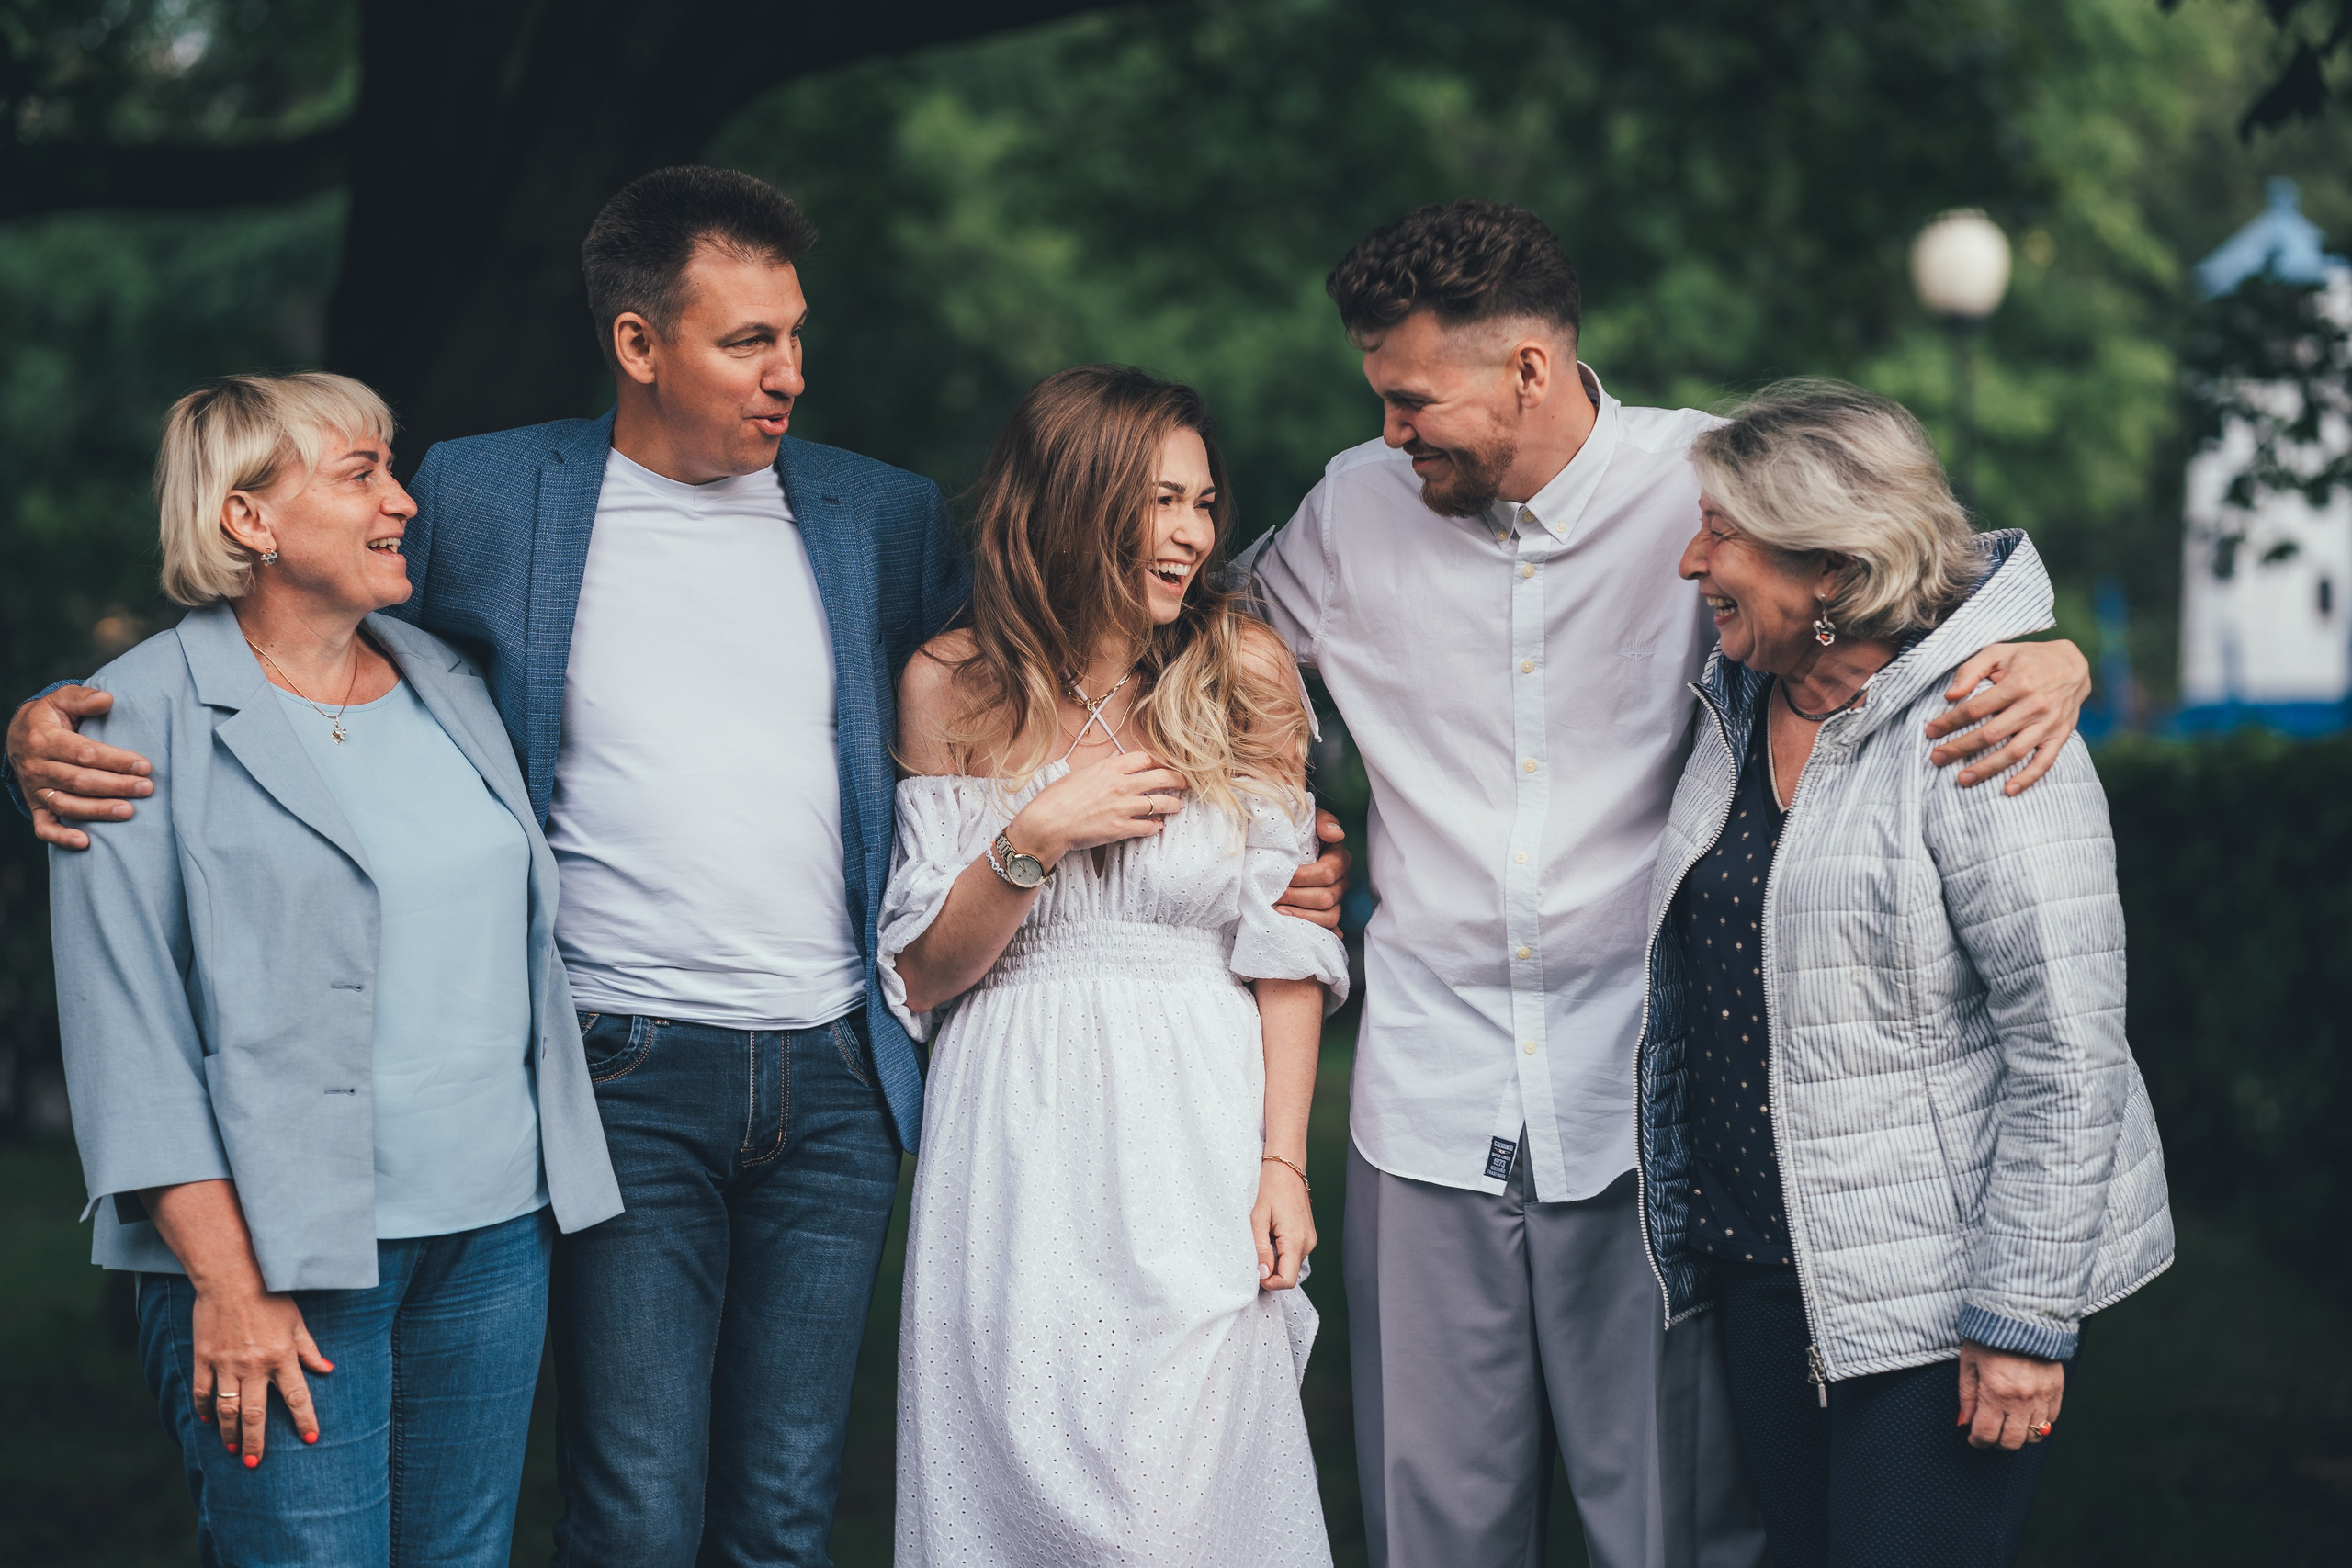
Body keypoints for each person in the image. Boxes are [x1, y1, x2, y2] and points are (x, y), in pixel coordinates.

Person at [6, 165, 1348, 1565]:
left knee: (782, 1511)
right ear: (639, 345)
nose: (791, 374)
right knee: (636, 1507)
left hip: (834, 1067)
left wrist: (1256, 833)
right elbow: (291, 626)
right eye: (748, 341)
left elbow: (1064, 631)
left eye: (797, 334)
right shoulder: (487, 494)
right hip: (619, 1067)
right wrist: (50, 719)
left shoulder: (876, 517)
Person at [1235, 200, 2098, 1568]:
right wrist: (1264, 834)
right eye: (1381, 402)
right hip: (1424, 1089)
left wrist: (2053, 655)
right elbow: (1196, 659)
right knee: (1433, 1531)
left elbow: (1913, 583)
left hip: (1649, 1111)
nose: (1392, 433)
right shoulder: (1350, 509)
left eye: (1413, 399)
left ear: (1526, 368)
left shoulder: (1706, 488)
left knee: (1675, 1535)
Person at [48, 371, 621, 1566]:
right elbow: (125, 1035)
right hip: (277, 1253)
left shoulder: (448, 681)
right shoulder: (130, 717)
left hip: (495, 1232)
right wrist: (228, 1283)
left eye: (391, 466)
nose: (403, 501)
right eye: (361, 472)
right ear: (247, 519)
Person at [1634, 379, 2172, 1567]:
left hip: (1940, 1302)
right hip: (1767, 1270)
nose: (1689, 562)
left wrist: (2023, 1317)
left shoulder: (1985, 725)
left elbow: (2070, 1051)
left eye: (1722, 532)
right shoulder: (1730, 706)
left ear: (1828, 566)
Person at [883, 366, 1348, 1565]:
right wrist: (1032, 839)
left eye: (1204, 502)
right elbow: (926, 972)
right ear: (1076, 500)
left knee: (1180, 1499)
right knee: (1016, 1477)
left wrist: (1283, 1162)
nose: (1196, 532)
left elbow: (1288, 946)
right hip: (1018, 1138)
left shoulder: (1245, 673)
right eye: (1162, 500)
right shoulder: (951, 684)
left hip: (1195, 1117)